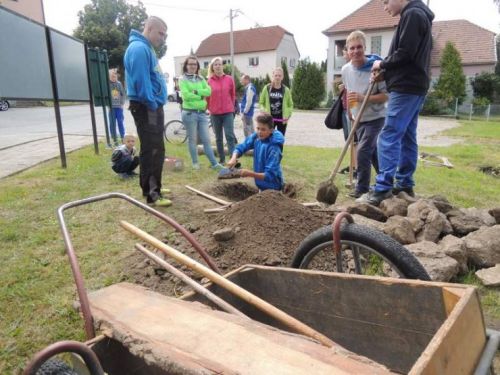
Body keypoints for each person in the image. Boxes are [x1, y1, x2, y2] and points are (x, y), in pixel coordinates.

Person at [359, 0, 434, 206]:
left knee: (389, 134)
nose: (385, 7)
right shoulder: (417, 15)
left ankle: (383, 187)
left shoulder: (413, 15)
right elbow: (409, 59)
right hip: (413, 84)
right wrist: (386, 75)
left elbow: (404, 53)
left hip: (406, 87)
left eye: (385, 1)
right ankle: (404, 183)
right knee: (407, 136)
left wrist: (381, 64)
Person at [124, 16, 171, 207]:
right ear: (149, 28)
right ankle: (152, 194)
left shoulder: (146, 48)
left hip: (151, 107)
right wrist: (153, 104)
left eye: (165, 35)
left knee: (156, 149)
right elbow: (141, 83)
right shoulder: (139, 49)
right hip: (147, 107)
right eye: (160, 33)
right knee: (152, 150)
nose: (163, 38)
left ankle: (154, 186)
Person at [342, 30, 388, 199]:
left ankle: (362, 188)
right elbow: (348, 93)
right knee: (373, 152)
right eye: (351, 48)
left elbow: (385, 96)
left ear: (365, 47)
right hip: (358, 119)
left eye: (359, 47)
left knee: (362, 151)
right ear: (347, 51)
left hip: (376, 118)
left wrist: (363, 98)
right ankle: (386, 182)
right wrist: (349, 111)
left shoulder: (376, 69)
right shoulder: (346, 69)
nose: (355, 51)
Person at [179, 56, 223, 171]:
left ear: (197, 66)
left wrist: (195, 92)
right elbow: (186, 96)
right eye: (190, 64)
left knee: (206, 140)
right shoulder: (182, 79)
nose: (193, 66)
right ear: (186, 66)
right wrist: (200, 96)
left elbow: (208, 91)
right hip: (189, 113)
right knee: (192, 140)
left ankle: (214, 164)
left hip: (202, 114)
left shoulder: (201, 78)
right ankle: (195, 163)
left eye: (195, 64)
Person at [227, 112, 284, 191]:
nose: (259, 132)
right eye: (258, 128)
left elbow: (269, 175)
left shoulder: (274, 148)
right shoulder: (257, 137)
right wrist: (233, 157)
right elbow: (242, 146)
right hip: (261, 186)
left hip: (273, 188)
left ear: (271, 130)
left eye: (263, 129)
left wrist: (249, 173)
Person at [206, 56, 237, 164]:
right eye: (215, 64)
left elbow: (233, 94)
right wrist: (208, 108)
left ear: (222, 66)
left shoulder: (229, 79)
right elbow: (207, 97)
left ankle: (233, 160)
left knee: (229, 135)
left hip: (228, 112)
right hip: (215, 114)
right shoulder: (209, 81)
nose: (218, 66)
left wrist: (232, 107)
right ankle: (222, 159)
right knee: (218, 137)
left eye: (219, 64)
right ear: (212, 67)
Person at [258, 67, 293, 137]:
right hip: (269, 120)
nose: (277, 77)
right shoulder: (267, 88)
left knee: (279, 140)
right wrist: (263, 110)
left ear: (282, 77)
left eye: (279, 75)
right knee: (268, 139)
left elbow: (290, 105)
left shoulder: (286, 90)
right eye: (276, 75)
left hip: (282, 120)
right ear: (273, 76)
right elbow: (261, 102)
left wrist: (288, 115)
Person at [108, 68, 126, 146]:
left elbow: (123, 94)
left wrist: (122, 104)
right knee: (112, 123)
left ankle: (123, 137)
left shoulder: (119, 84)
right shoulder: (107, 84)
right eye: (112, 76)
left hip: (119, 107)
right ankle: (114, 139)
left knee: (120, 122)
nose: (113, 78)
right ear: (109, 77)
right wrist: (107, 104)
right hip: (111, 107)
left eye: (115, 76)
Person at [239, 74, 257, 138]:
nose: (241, 81)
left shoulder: (250, 88)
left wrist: (244, 112)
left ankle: (249, 145)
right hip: (248, 113)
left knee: (248, 131)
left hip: (247, 113)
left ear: (247, 80)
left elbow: (249, 102)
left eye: (242, 80)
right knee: (250, 129)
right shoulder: (249, 88)